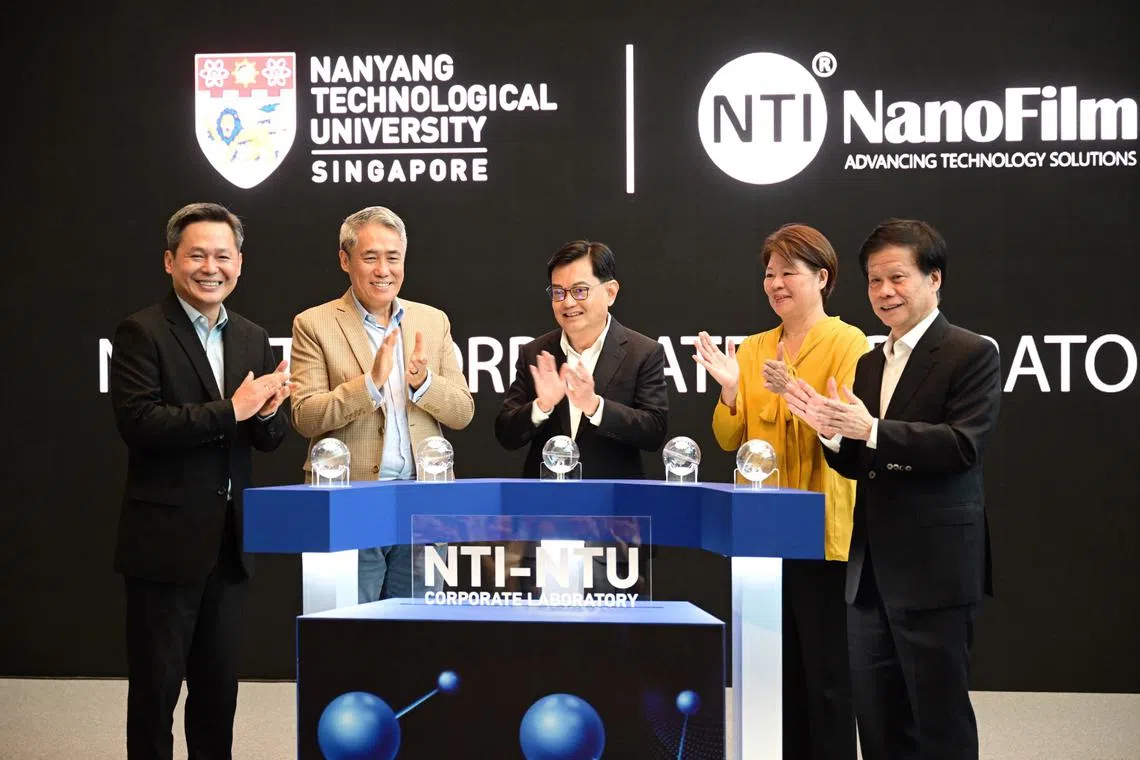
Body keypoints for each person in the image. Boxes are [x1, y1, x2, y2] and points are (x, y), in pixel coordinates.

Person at [784, 218, 1001, 760]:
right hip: (869, 576)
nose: (884, 292)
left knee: (939, 722)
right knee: (878, 723)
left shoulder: (972, 353)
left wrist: (872, 430)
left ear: (934, 280)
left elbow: (961, 447)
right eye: (875, 281)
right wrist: (831, 434)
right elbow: (862, 463)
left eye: (898, 278)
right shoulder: (868, 361)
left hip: (936, 572)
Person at [110, 202, 292, 759]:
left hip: (230, 546)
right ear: (170, 261)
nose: (210, 266)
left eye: (223, 255)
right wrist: (233, 410)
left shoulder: (253, 336)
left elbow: (269, 437)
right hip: (164, 544)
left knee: (218, 695)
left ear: (240, 262)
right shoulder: (142, 332)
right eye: (197, 254)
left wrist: (265, 414)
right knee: (156, 694)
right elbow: (140, 424)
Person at [694, 223, 866, 760]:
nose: (776, 283)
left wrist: (789, 388)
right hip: (763, 533)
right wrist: (729, 390)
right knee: (779, 674)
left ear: (823, 276)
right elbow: (728, 438)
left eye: (789, 271)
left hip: (820, 531)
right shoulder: (752, 348)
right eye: (770, 273)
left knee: (828, 676)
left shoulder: (848, 341)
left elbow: (842, 428)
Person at [290, 206, 473, 602]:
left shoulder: (432, 320)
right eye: (370, 257)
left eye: (393, 258)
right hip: (349, 503)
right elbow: (304, 416)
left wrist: (423, 383)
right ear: (345, 260)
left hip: (423, 506)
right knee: (346, 634)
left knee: (417, 634)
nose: (383, 270)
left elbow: (462, 411)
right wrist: (369, 385)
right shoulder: (314, 323)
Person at [495, 240, 668, 478]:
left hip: (614, 502)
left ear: (610, 292)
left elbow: (653, 432)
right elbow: (506, 435)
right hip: (545, 504)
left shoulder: (643, 352)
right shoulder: (534, 353)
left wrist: (595, 407)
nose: (567, 303)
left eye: (579, 291)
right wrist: (541, 406)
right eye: (558, 292)